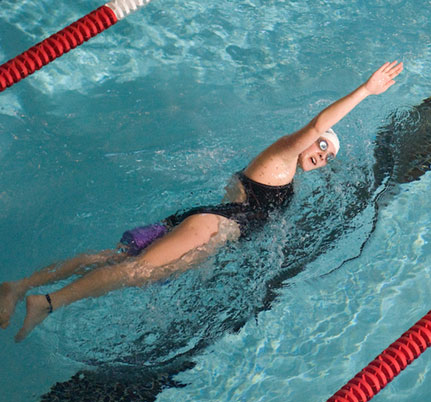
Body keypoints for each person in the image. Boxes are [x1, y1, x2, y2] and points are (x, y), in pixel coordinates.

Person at [0, 60, 403, 342]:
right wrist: (367, 91)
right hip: (210, 227)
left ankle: (19, 286)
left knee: (112, 260)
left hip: (202, 223)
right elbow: (318, 125)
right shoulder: (280, 159)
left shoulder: (286, 176)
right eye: (320, 147)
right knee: (137, 273)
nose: (321, 155)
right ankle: (47, 302)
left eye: (328, 156)